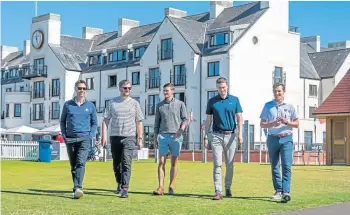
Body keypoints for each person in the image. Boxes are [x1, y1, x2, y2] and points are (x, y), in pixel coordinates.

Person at [102, 79, 144, 198]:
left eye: (129, 88)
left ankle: (125, 188)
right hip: (115, 136)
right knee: (116, 164)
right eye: (125, 88)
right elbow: (105, 121)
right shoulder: (112, 103)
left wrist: (140, 139)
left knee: (126, 162)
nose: (127, 90)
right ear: (120, 88)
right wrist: (103, 137)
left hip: (129, 137)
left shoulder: (135, 104)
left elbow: (139, 122)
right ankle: (119, 183)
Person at [203, 77, 243, 200]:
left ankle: (227, 187)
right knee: (217, 164)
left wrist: (240, 134)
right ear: (217, 88)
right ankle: (218, 191)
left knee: (230, 165)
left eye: (224, 88)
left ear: (227, 87)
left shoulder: (235, 100)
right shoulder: (212, 101)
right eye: (220, 88)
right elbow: (208, 120)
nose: (222, 90)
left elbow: (239, 118)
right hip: (216, 135)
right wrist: (205, 136)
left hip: (231, 135)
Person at [260, 83, 299, 203]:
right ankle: (278, 190)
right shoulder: (268, 106)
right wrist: (272, 124)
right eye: (275, 91)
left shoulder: (290, 106)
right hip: (272, 138)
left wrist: (287, 122)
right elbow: (262, 124)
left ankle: (286, 192)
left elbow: (297, 124)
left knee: (287, 165)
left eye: (279, 91)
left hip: (286, 138)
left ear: (284, 92)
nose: (277, 94)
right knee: (275, 165)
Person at [60, 80, 97, 199]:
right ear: (75, 89)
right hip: (70, 139)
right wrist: (64, 136)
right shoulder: (67, 105)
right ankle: (76, 187)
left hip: (84, 139)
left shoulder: (90, 106)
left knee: (81, 163)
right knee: (73, 165)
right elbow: (62, 121)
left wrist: (90, 135)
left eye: (84, 89)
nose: (82, 91)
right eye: (80, 88)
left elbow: (94, 123)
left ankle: (78, 187)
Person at [152, 83, 188, 196]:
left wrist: (181, 130)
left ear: (172, 91)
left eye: (167, 91)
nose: (165, 93)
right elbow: (156, 122)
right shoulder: (159, 106)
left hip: (176, 136)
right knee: (161, 161)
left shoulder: (180, 104)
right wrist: (155, 137)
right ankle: (160, 187)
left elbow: (185, 119)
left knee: (174, 162)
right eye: (164, 91)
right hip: (162, 135)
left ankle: (171, 185)